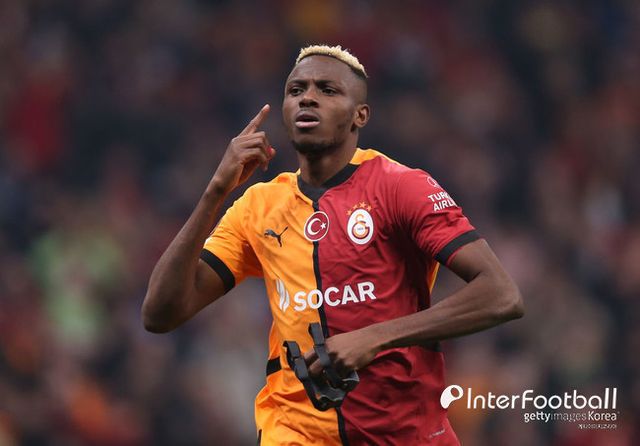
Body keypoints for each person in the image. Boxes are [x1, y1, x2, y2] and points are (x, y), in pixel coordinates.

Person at [142, 44, 524, 445]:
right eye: (296, 90)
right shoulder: (258, 207)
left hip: (405, 432)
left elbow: (501, 295)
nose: (307, 98)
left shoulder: (400, 186)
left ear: (360, 115)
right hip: (294, 433)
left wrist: (374, 336)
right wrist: (215, 191)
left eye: (327, 90)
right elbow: (160, 314)